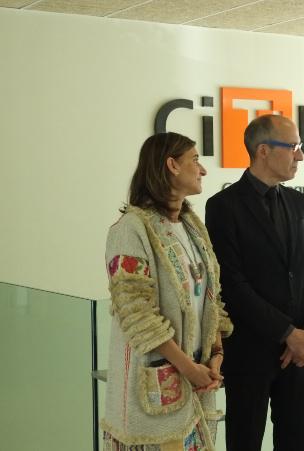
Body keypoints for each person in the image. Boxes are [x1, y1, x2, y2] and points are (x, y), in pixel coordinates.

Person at [205, 114, 304, 451]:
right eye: (293, 147)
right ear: (263, 150)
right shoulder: (223, 207)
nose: (300, 156)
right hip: (250, 354)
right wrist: (287, 333)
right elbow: (232, 284)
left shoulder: (298, 202)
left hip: (301, 355)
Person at [103, 132, 233, 450]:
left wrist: (216, 357)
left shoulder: (191, 226)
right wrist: (188, 369)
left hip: (198, 382)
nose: (202, 170)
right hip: (155, 387)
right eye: (195, 160)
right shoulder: (131, 229)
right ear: (172, 165)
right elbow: (137, 314)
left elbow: (212, 299)